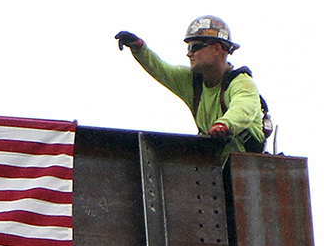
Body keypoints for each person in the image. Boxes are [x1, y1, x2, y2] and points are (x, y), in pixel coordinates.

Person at [114, 15, 269, 153]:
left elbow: (243, 109)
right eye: (189, 47)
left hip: (247, 173)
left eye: (195, 47)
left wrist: (224, 125)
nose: (189, 53)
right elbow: (161, 69)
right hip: (214, 171)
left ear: (217, 48)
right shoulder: (193, 83)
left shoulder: (241, 83)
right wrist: (139, 48)